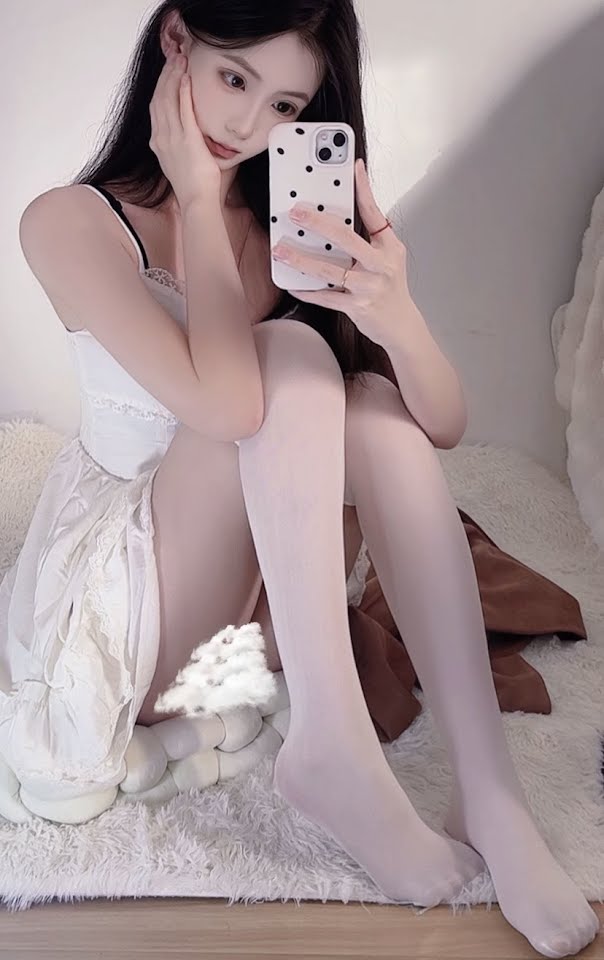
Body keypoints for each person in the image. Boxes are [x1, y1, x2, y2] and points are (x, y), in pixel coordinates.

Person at [0, 1, 598, 956]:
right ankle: (333, 743)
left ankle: (492, 797)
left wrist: (397, 312)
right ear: (177, 42)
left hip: (241, 606)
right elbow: (231, 408)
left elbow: (438, 427)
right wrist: (198, 205)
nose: (248, 125)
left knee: (373, 404)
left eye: (285, 105)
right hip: (121, 620)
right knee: (283, 353)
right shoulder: (69, 222)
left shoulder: (282, 218)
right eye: (234, 78)